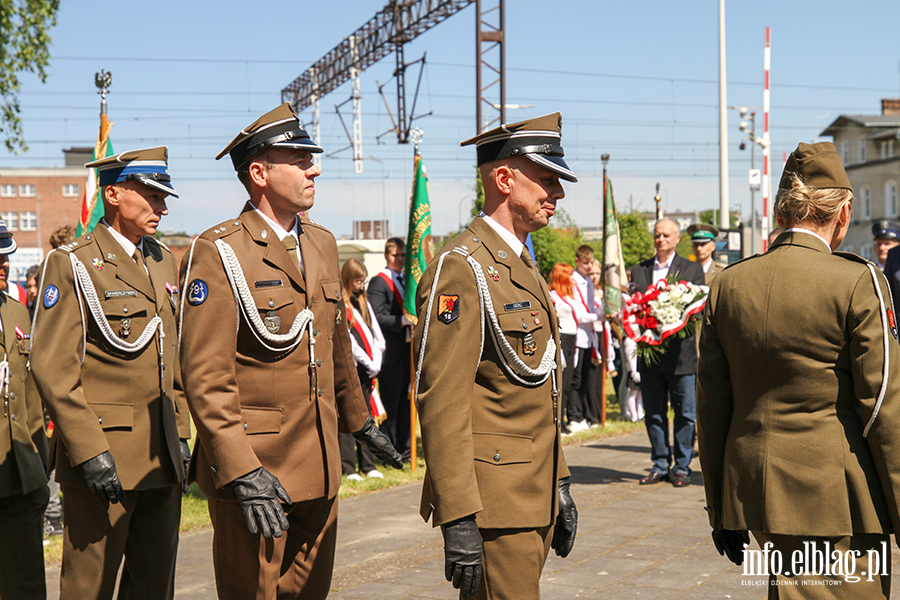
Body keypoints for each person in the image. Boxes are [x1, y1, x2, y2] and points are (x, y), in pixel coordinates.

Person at [178, 102, 402, 599]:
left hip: (319, 464)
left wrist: (359, 420)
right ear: (258, 172)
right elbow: (205, 377)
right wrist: (240, 470)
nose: (313, 168)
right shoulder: (220, 251)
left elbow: (335, 342)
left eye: (311, 158)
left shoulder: (321, 243)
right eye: (299, 159)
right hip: (259, 470)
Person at [698, 141, 900, 596]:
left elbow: (712, 407)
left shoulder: (728, 285)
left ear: (779, 211)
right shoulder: (856, 281)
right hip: (838, 496)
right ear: (843, 214)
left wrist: (720, 509)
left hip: (757, 490)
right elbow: (883, 408)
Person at [414, 112, 578, 599]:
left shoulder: (518, 260)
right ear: (504, 179)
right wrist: (458, 515)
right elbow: (441, 401)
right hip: (494, 503)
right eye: (548, 180)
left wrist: (561, 479)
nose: (559, 195)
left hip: (533, 491)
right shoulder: (462, 268)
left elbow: (535, 387)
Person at [30, 147, 191, 599]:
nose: (162, 207)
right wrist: (87, 450)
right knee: (90, 585)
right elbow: (51, 365)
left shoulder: (161, 259)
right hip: (105, 456)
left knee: (153, 582)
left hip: (161, 455)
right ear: (114, 194)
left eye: (164, 198)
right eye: (152, 196)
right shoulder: (74, 262)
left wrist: (179, 432)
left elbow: (170, 354)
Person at [630, 218, 704, 488]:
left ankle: (682, 467)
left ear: (676, 239)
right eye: (657, 235)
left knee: (685, 413)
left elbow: (696, 308)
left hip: (682, 356)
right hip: (650, 356)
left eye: (666, 235)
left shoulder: (692, 269)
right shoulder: (638, 270)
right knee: (654, 412)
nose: (661, 240)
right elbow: (632, 308)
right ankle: (660, 463)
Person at [0, 220, 50, 600]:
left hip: (21, 478)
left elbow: (29, 393)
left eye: (6, 256)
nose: (4, 265)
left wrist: (39, 468)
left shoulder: (16, 314)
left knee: (26, 585)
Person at [339, 258, 386, 482]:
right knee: (349, 418)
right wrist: (368, 361)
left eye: (363, 281)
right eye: (357, 281)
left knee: (367, 418)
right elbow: (349, 341)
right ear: (347, 280)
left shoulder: (363, 302)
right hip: (353, 369)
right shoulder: (342, 304)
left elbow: (376, 332)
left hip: (368, 369)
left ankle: (368, 464)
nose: (361, 285)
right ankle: (350, 467)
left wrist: (377, 356)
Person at [368, 237, 412, 461]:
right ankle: (388, 452)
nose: (400, 259)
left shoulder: (407, 281)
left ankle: (405, 451)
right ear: (387, 256)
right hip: (389, 355)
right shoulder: (379, 282)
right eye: (396, 255)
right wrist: (402, 321)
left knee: (405, 405)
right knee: (390, 407)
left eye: (403, 255)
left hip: (406, 354)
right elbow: (376, 317)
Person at [547, 263, 584, 434]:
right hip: (562, 341)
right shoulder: (553, 296)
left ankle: (567, 419)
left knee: (569, 384)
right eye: (569, 275)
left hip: (572, 341)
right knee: (561, 384)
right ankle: (559, 422)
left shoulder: (570, 297)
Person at [569, 245, 601, 429]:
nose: (589, 267)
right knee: (576, 378)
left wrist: (601, 313)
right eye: (585, 263)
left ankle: (586, 415)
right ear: (577, 261)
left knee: (587, 378)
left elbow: (591, 308)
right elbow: (578, 313)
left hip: (590, 335)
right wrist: (598, 316)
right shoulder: (573, 281)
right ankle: (574, 416)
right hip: (577, 335)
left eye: (591, 262)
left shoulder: (588, 281)